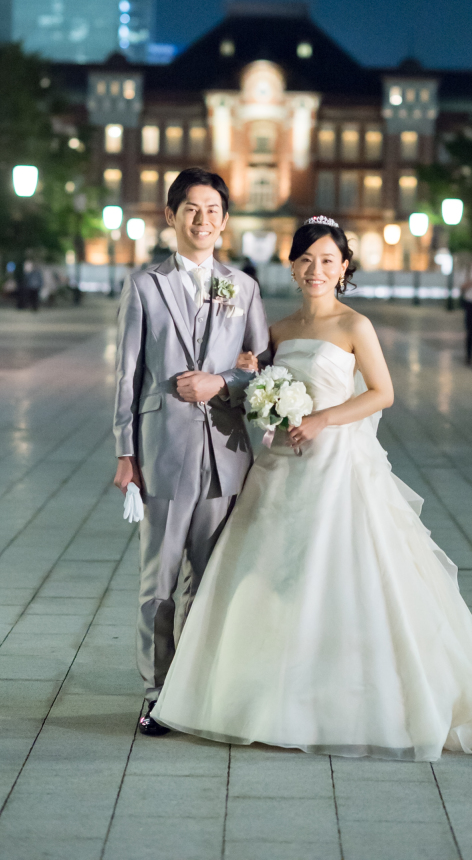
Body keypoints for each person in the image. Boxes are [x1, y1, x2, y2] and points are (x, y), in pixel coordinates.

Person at [152, 216, 472, 768]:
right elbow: (253, 384)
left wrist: (325, 419)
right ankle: (260, 698)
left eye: (327, 260)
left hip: (337, 467)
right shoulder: (275, 330)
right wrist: (253, 375)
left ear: (344, 267)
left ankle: (333, 699)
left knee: (335, 577)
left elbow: (383, 393)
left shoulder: (355, 327)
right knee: (270, 578)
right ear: (292, 265)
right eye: (305, 260)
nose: (315, 270)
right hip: (280, 467)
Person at [112, 167, 269, 737]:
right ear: (171, 217)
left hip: (225, 454)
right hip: (161, 452)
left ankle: (196, 690)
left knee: (208, 581)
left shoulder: (243, 287)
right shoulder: (144, 286)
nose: (203, 219)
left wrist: (222, 381)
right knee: (158, 581)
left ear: (225, 221)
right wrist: (124, 452)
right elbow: (127, 374)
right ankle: (156, 694)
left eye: (212, 210)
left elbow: (264, 369)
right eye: (191, 209)